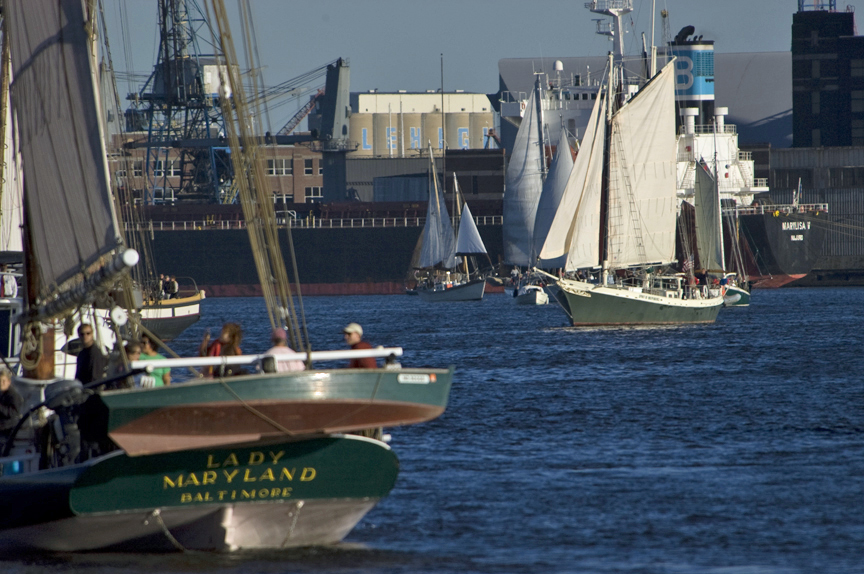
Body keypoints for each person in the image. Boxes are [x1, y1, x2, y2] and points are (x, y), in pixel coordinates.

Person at [0, 368, 23, 447]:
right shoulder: (2, 393)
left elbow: (14, 413)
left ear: (9, 382)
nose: (1, 383)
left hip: (8, 429)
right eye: (0, 381)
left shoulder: (13, 395)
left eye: (4, 381)